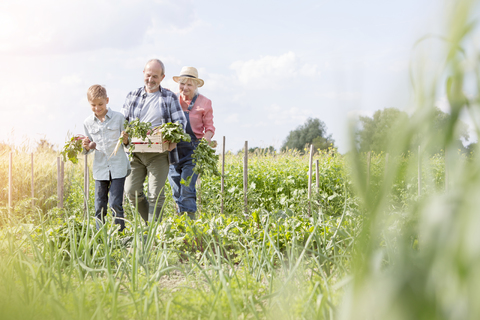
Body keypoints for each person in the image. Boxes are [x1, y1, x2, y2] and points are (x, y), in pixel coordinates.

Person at [122, 59, 187, 223]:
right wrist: (123, 136)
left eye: (155, 76)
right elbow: (123, 121)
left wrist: (173, 139)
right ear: (143, 73)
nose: (151, 79)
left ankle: (153, 234)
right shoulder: (132, 96)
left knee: (155, 195)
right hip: (135, 153)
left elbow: (181, 123)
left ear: (162, 77)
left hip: (158, 153)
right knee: (131, 191)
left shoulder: (169, 97)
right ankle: (151, 225)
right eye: (148, 75)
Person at [168, 66, 215, 220]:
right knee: (176, 189)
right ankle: (180, 224)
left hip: (193, 150)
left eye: (190, 84)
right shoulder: (172, 100)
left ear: (196, 86)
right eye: (182, 83)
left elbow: (209, 127)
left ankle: (191, 225)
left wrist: (207, 138)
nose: (185, 88)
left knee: (187, 187)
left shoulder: (205, 102)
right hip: (173, 150)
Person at [82, 84, 130, 232]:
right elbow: (88, 148)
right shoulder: (88, 123)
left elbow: (128, 144)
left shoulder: (119, 118)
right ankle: (100, 237)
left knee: (115, 203)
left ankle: (119, 235)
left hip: (118, 167)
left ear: (107, 100)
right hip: (100, 169)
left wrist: (126, 139)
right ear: (89, 104)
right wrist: (87, 146)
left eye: (100, 104)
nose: (97, 108)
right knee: (99, 205)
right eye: (93, 105)